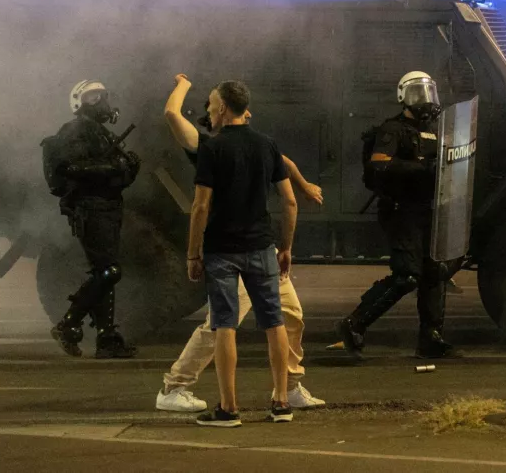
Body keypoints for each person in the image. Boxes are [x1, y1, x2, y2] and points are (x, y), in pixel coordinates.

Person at [156, 74, 325, 412]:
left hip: (261, 248)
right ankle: (175, 385)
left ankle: (289, 385)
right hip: (239, 248)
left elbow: (283, 162)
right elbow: (173, 115)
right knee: (220, 326)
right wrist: (183, 83)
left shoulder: (256, 144)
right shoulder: (205, 147)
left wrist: (304, 184)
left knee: (290, 314)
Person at [186, 80, 296, 427]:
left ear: (221, 109)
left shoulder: (212, 149)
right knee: (274, 322)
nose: (207, 112)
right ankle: (280, 401)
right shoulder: (268, 145)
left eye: (210, 106)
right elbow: (290, 201)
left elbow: (200, 206)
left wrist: (193, 253)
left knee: (225, 325)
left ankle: (229, 407)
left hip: (222, 250)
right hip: (262, 246)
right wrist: (287, 246)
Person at [335, 71, 458, 360]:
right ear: (403, 96)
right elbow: (380, 165)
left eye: (428, 91)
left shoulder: (436, 131)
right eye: (417, 93)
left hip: (430, 211)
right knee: (407, 277)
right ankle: (354, 324)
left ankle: (431, 337)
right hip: (402, 211)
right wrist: (423, 168)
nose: (425, 99)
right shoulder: (393, 129)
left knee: (434, 274)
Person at [43, 80, 141, 359]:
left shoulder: (100, 132)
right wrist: (115, 166)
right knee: (109, 271)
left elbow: (116, 178)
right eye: (94, 97)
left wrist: (128, 169)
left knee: (106, 271)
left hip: (106, 206)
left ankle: (106, 338)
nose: (101, 102)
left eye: (101, 97)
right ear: (81, 102)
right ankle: (68, 324)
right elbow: (72, 167)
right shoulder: (75, 129)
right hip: (90, 207)